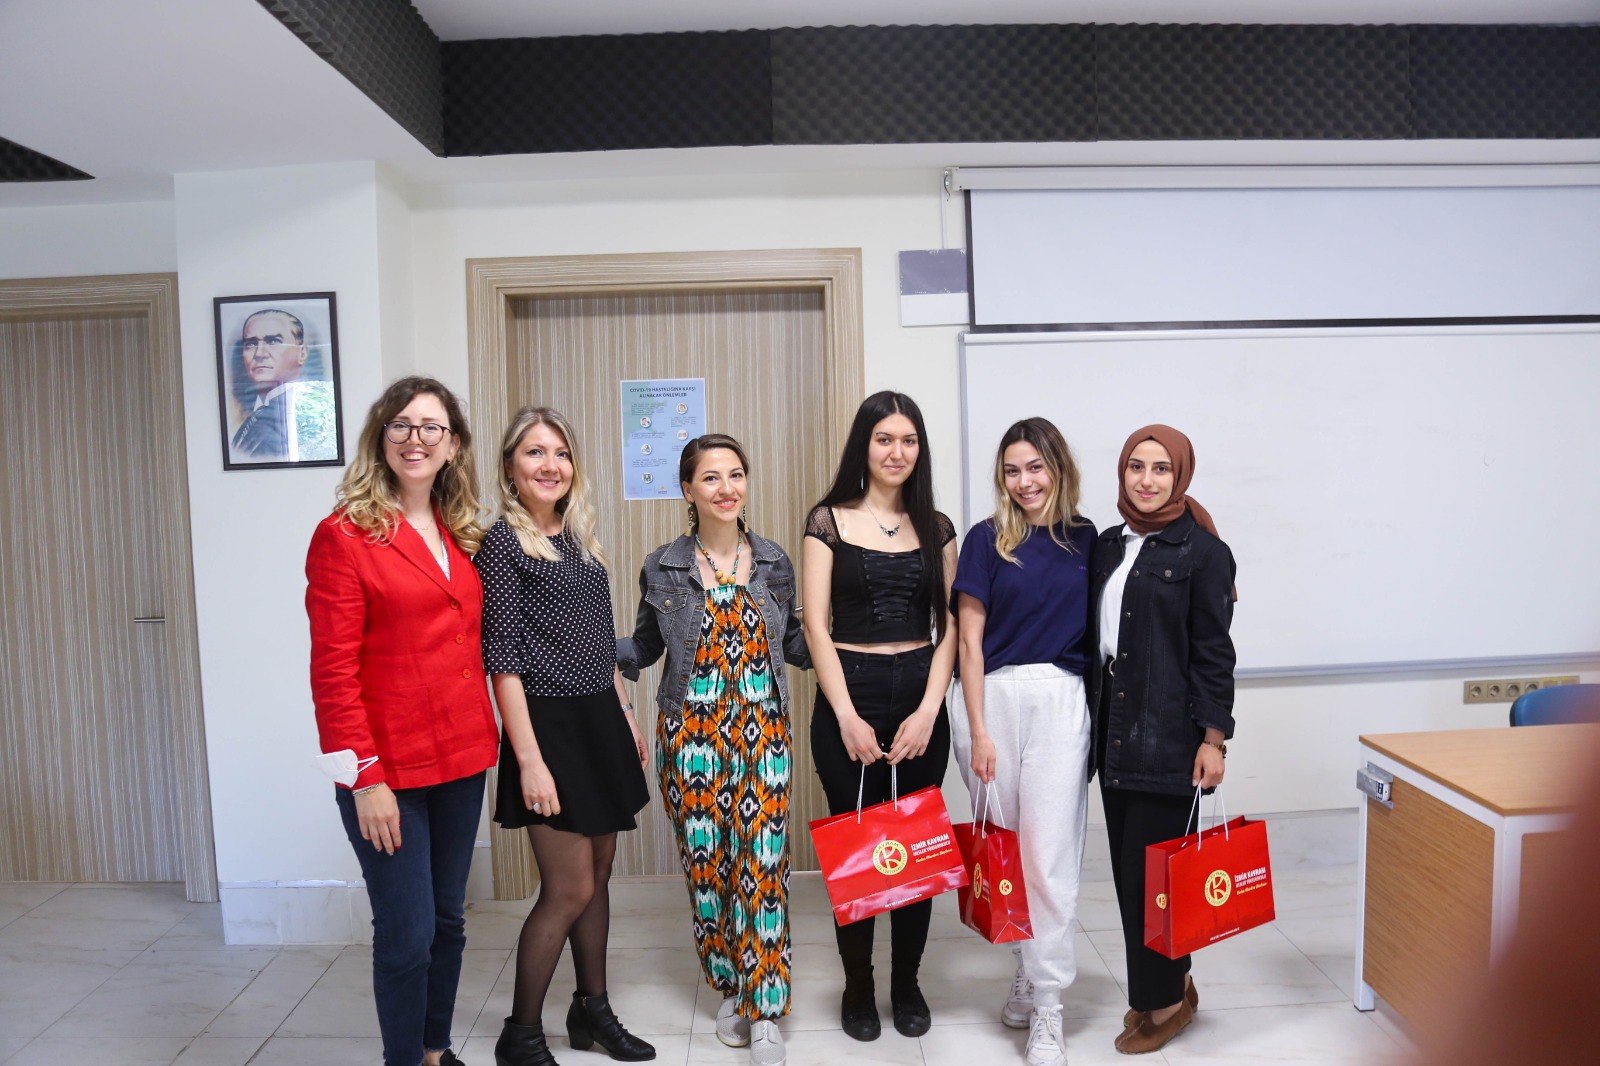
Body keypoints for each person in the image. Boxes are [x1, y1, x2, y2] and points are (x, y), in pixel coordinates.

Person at [306, 375, 498, 1066]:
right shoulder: (343, 536)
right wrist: (364, 778)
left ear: (453, 445)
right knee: (407, 934)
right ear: (381, 437)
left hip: (462, 758)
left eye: (432, 427)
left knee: (448, 921)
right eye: (401, 425)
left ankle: (435, 1051)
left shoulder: (462, 531)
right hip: (388, 770)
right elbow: (332, 674)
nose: (416, 439)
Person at [618, 434, 809, 1066]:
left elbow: (797, 645)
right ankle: (729, 985)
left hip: (764, 738)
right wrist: (593, 646)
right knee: (709, 871)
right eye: (710, 477)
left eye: (736, 475)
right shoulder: (663, 567)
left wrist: (859, 648)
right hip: (690, 740)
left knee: (762, 868)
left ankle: (765, 1007)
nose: (726, 488)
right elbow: (646, 646)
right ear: (688, 489)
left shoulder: (775, 562)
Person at [476, 407, 655, 1066]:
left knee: (599, 873)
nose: (550, 465)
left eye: (561, 453)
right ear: (510, 466)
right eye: (534, 452)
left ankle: (591, 1010)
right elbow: (502, 662)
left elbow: (600, 642)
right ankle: (520, 1034)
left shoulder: (579, 539)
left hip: (599, 718)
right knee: (568, 887)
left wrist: (626, 714)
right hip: (547, 727)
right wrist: (528, 761)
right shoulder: (501, 544)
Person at [801, 391, 957, 1041]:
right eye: (884, 439)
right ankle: (859, 987)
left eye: (909, 440)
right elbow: (815, 625)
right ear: (863, 446)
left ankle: (907, 984)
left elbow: (952, 627)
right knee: (858, 850)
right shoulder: (827, 521)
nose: (897, 452)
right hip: (851, 691)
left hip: (920, 692)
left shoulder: (937, 527)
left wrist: (928, 710)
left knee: (915, 848)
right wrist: (845, 715)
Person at [949, 417, 1097, 1066]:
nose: (1025, 481)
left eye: (1035, 467)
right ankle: (1025, 970)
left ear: (1058, 469)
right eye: (1012, 470)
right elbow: (969, 641)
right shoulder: (986, 539)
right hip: (991, 703)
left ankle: (1050, 1006)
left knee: (1048, 857)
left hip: (1059, 700)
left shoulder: (1088, 540)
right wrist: (980, 730)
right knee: (1005, 852)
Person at [1088, 424, 1236, 1056]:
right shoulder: (1107, 544)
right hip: (1114, 731)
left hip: (1170, 735)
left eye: (1161, 469)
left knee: (1158, 880)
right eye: (1136, 467)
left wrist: (1214, 739)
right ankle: (1168, 987)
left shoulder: (1203, 552)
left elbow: (1214, 653)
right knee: (1130, 877)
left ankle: (1166, 1004)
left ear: (1180, 476)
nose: (1146, 480)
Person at [231, 308, 336, 461]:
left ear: (302, 353)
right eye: (251, 344)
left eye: (273, 341)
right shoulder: (258, 415)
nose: (259, 354)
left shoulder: (308, 415)